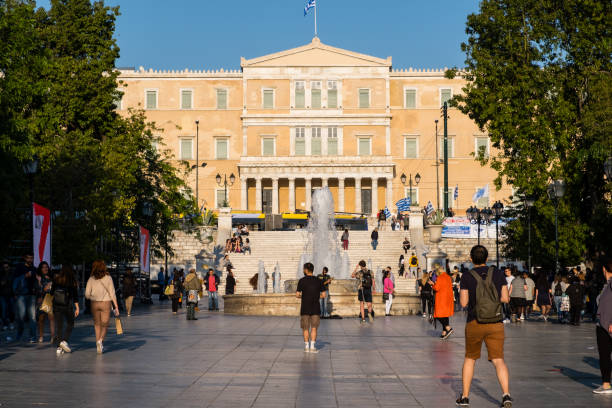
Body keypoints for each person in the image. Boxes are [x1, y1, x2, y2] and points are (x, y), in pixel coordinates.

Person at [457, 245, 512, 408]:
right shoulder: (498, 273)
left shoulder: (466, 276)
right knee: (498, 360)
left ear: (471, 259)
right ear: (487, 259)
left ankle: (465, 397)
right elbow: (505, 299)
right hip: (495, 322)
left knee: (470, 358)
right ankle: (506, 395)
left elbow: (464, 303)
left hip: (475, 322)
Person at [85, 260, 119, 354]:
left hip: (94, 303)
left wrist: (93, 297)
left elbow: (87, 294)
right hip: (105, 303)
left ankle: (98, 343)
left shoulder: (91, 279)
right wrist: (116, 306)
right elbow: (112, 293)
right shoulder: (108, 278)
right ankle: (101, 341)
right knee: (105, 324)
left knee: (97, 324)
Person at [296, 262, 326, 353]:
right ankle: (312, 347)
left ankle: (306, 346)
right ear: (312, 270)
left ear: (305, 270)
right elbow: (324, 295)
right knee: (314, 328)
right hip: (315, 308)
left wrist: (304, 297)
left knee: (305, 328)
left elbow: (297, 295)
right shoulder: (319, 280)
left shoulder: (301, 280)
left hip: (305, 307)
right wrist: (316, 296)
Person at [593, 257, 612, 394]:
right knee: (604, 355)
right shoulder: (607, 284)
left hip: (607, 324)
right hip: (603, 323)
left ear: (604, 269)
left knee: (605, 355)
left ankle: (606, 385)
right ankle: (605, 383)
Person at [51, 265, 79, 355]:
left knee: (59, 326)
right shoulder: (72, 282)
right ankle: (64, 341)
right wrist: (77, 308)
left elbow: (51, 293)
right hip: (67, 305)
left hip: (56, 305)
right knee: (70, 323)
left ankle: (59, 347)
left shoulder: (56, 280)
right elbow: (75, 296)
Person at [13, 253, 37, 343]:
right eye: (28, 258)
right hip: (21, 295)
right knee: (21, 316)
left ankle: (33, 336)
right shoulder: (19, 268)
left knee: (32, 317)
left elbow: (36, 282)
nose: (30, 259)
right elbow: (14, 280)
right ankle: (19, 333)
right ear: (25, 258)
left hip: (32, 295)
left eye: (32, 258)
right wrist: (24, 276)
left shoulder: (34, 269)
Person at [432, 265, 454, 339]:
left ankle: (448, 328)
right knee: (445, 315)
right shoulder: (448, 277)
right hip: (448, 298)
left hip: (441, 299)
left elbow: (437, 288)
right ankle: (444, 332)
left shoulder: (440, 278)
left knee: (437, 315)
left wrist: (432, 284)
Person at [36, 261, 55, 343]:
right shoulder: (39, 277)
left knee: (52, 318)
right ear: (40, 268)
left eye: (46, 267)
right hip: (41, 299)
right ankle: (41, 336)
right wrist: (39, 282)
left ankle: (53, 337)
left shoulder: (51, 277)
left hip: (50, 299)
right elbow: (38, 289)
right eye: (43, 267)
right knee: (41, 319)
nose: (45, 268)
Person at [0, 260, 14, 331]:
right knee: (4, 310)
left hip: (11, 294)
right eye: (4, 267)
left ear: (9, 267)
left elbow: (15, 284)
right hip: (2, 294)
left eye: (7, 267)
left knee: (11, 310)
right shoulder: (1, 273)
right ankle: (5, 324)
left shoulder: (12, 274)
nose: (6, 268)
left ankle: (11, 323)